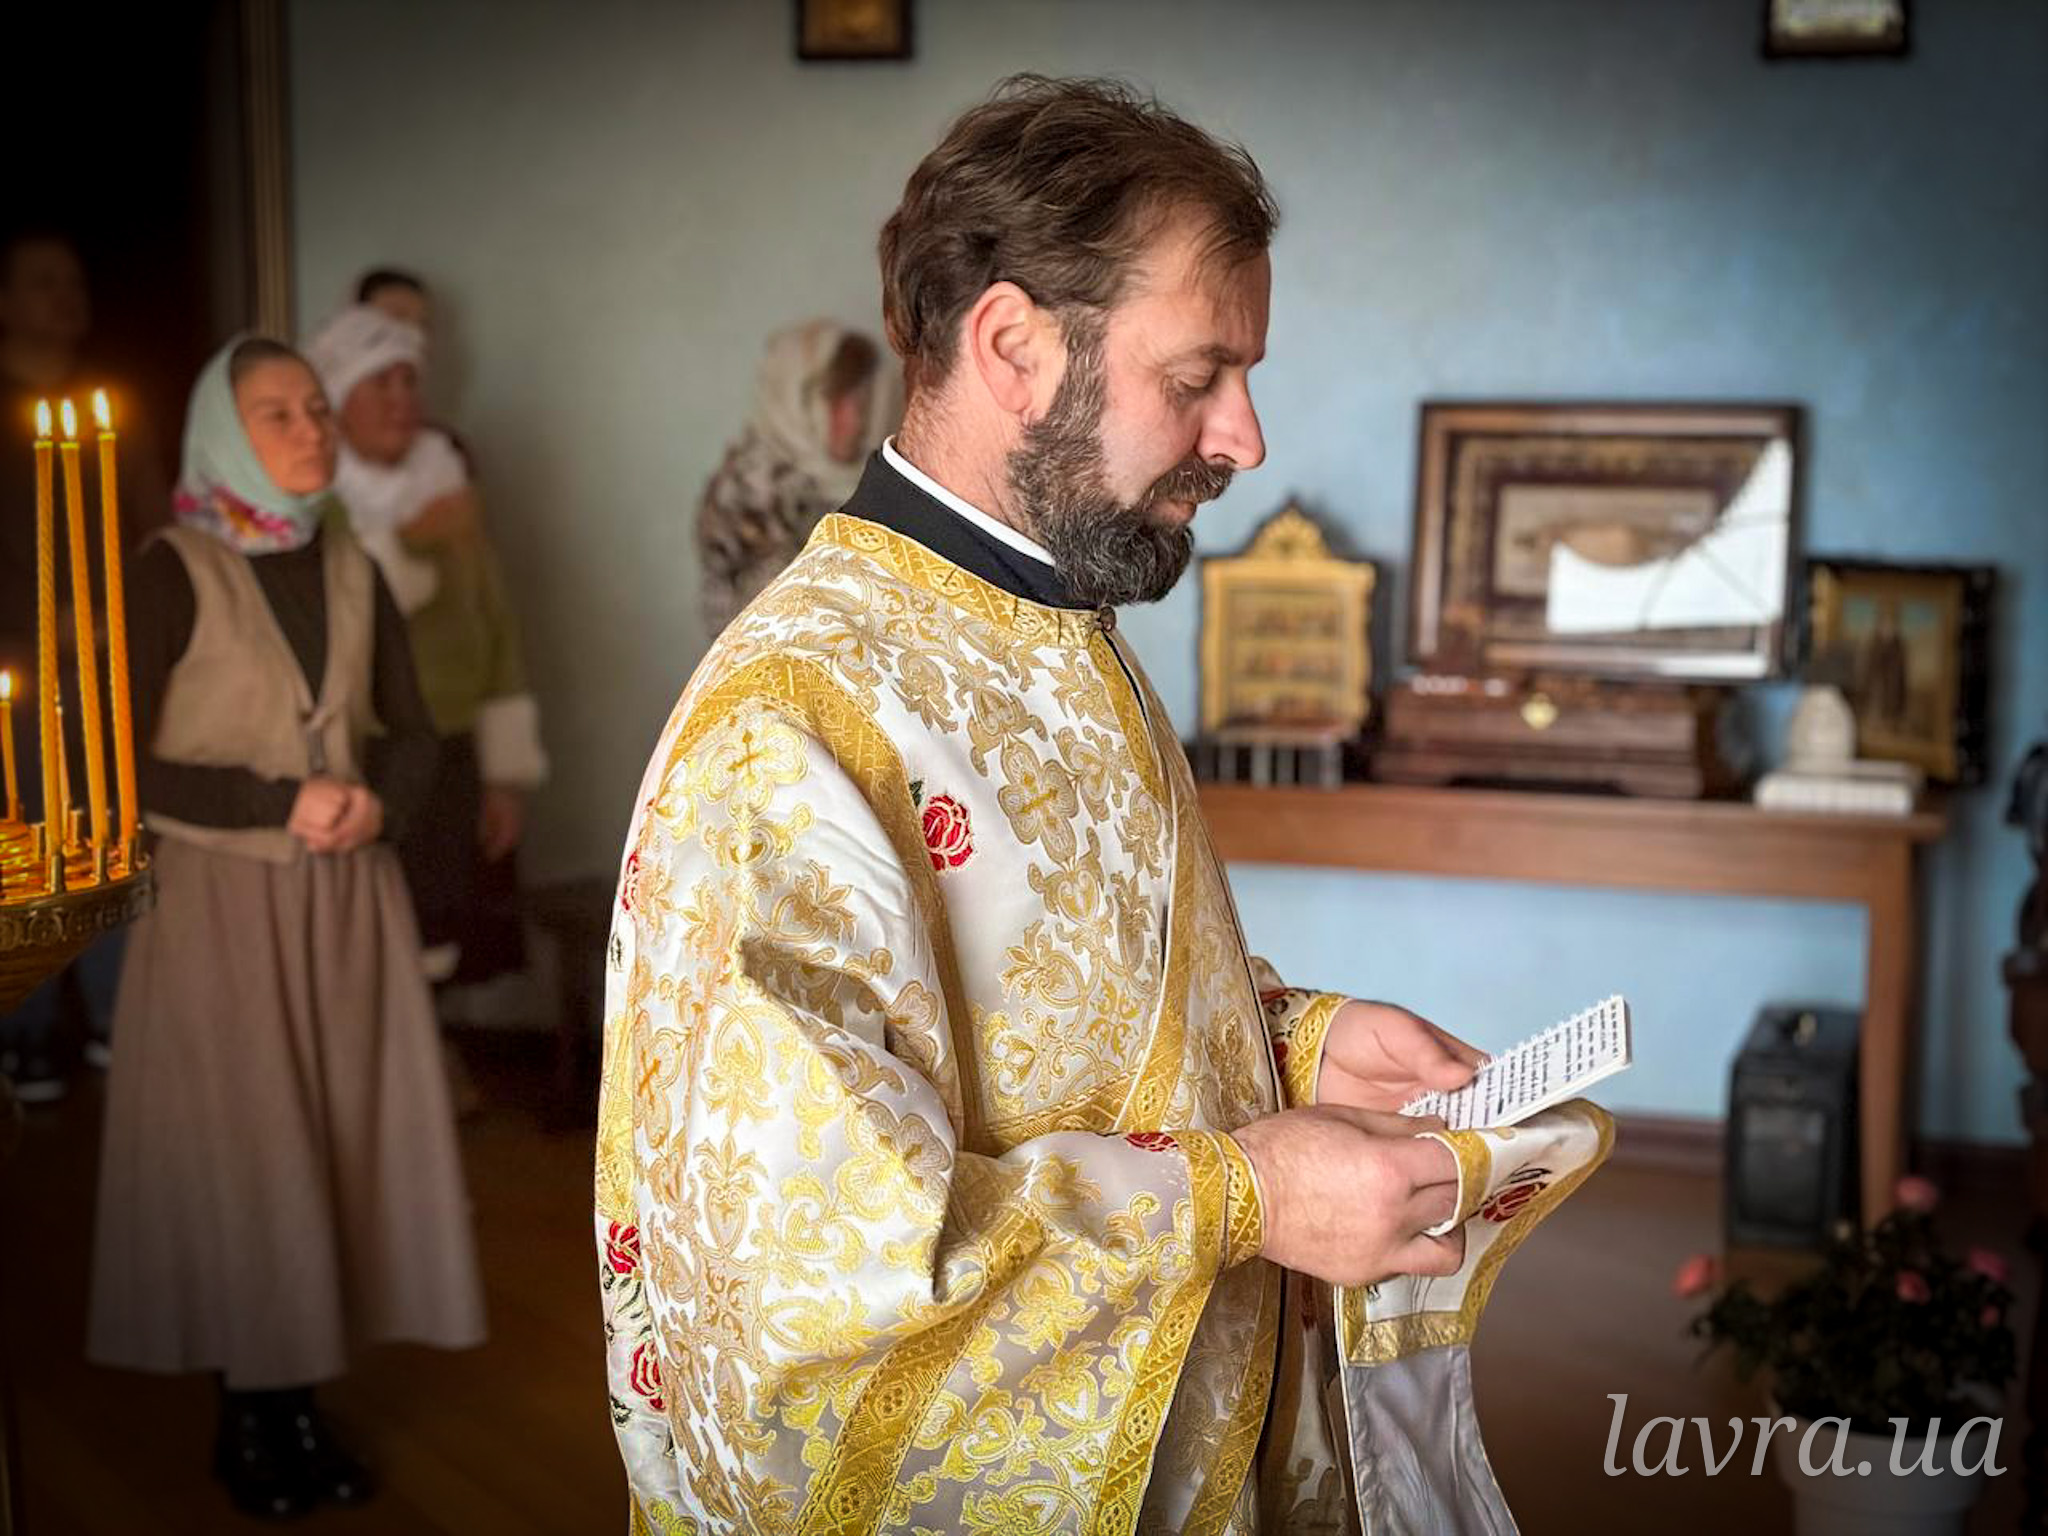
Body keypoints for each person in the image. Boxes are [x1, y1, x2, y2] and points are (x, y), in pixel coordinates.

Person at [595, 77, 1535, 1532]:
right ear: (1014, 348)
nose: (1245, 437)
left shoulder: (1051, 626)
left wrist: (1292, 1044)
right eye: (1197, 377)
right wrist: (1247, 1197)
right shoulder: (786, 728)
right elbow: (814, 1272)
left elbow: (1067, 1010)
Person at [87, 336, 486, 1520]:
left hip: (347, 897)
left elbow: (412, 732)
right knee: (248, 1155)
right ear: (225, 434)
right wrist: (274, 801)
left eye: (315, 409)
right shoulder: (170, 571)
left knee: (337, 1144)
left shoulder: (350, 563)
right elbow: (116, 764)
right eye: (279, 414)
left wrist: (378, 802)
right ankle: (251, 1414)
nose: (311, 431)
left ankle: (300, 1398)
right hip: (221, 904)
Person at [308, 303, 547, 986]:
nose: (401, 399)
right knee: (368, 941)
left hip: (452, 749)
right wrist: (412, 537)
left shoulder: (446, 482)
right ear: (338, 399)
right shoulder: (318, 499)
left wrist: (504, 776)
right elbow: (345, 614)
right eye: (379, 382)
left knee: (444, 935)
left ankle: (426, 1045)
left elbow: (495, 627)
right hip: (365, 754)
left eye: (409, 380)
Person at [0, 227, 168, 1098]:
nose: (65, 297)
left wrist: (127, 622)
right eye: (42, 281)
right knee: (25, 834)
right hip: (14, 671)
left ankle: (116, 1019)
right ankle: (28, 1031)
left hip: (107, 663)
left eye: (73, 281)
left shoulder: (111, 414)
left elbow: (149, 533)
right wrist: (36, 627)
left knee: (109, 828)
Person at [695, 317, 899, 640]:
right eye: (836, 403)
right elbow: (757, 631)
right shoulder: (746, 496)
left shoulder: (880, 480)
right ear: (793, 400)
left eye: (860, 402)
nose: (854, 421)